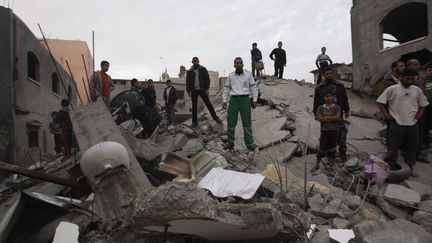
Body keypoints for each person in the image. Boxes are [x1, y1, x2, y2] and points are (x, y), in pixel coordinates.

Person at [377, 68, 429, 177]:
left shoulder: (416, 90)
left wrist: (418, 116)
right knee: (393, 146)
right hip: (397, 123)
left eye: (411, 79)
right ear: (401, 77)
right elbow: (380, 102)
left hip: (412, 124)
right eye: (407, 79)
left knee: (411, 147)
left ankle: (410, 168)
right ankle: (391, 167)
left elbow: (424, 105)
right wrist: (387, 115)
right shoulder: (392, 89)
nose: (409, 81)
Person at [313, 67, 350, 161]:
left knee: (341, 134)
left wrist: (346, 110)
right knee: (326, 135)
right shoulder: (319, 88)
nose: (329, 75)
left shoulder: (339, 85)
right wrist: (315, 113)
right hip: (325, 114)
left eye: (330, 73)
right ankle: (327, 155)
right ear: (324, 75)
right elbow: (316, 101)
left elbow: (344, 98)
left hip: (338, 114)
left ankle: (343, 154)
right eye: (327, 74)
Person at [222, 57, 259, 151]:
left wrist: (255, 100)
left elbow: (253, 87)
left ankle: (249, 144)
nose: (238, 64)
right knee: (231, 123)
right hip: (233, 101)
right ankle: (230, 143)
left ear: (243, 64)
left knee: (247, 123)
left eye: (240, 63)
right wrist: (224, 101)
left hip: (245, 100)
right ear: (234, 65)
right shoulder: (231, 76)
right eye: (237, 63)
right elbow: (226, 89)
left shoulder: (248, 75)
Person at [186, 57, 222, 127]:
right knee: (194, 107)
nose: (196, 62)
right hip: (194, 90)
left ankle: (215, 118)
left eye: (197, 61)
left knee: (208, 104)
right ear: (192, 62)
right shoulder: (190, 71)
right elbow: (188, 82)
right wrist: (188, 91)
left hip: (202, 89)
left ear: (198, 62)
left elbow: (207, 79)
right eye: (194, 61)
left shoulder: (203, 69)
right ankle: (194, 122)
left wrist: (207, 88)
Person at [311, 89, 341, 174]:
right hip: (324, 131)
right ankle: (317, 164)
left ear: (333, 97)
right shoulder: (320, 107)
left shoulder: (337, 107)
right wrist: (331, 118)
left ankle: (331, 165)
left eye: (330, 96)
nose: (329, 98)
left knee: (333, 149)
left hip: (334, 131)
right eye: (327, 96)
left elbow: (337, 118)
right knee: (321, 148)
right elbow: (319, 118)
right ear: (324, 98)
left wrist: (325, 118)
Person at [419, 64, 432, 151]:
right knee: (424, 125)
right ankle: (424, 144)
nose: (431, 72)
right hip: (424, 106)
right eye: (429, 70)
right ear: (425, 71)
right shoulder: (422, 80)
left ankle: (427, 144)